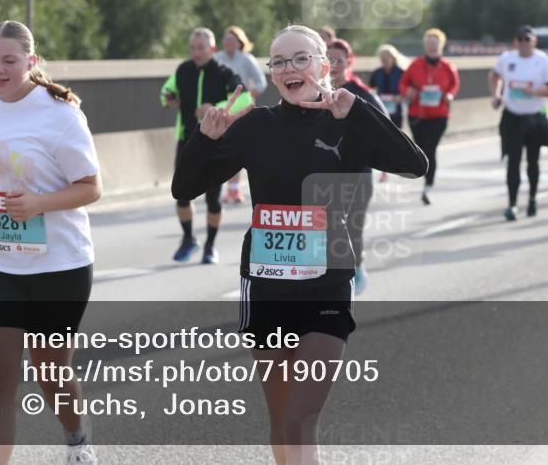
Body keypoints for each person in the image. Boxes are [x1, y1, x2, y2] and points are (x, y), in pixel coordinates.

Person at [171, 24, 427, 464]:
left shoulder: (347, 120)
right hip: (266, 285)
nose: (290, 69)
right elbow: (185, 187)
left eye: (301, 59)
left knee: (301, 416)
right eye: (280, 62)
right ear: (271, 74)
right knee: (282, 421)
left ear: (324, 67)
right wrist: (204, 139)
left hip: (326, 283)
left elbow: (414, 164)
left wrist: (361, 112)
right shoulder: (256, 126)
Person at [0, 20, 101, 465]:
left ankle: (76, 440)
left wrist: (38, 204)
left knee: (52, 372)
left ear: (30, 62)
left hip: (58, 265)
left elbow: (90, 187)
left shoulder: (59, 113)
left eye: (9, 61)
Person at [162, 28, 253, 264]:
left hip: (215, 143)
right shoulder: (183, 70)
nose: (196, 52)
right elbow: (166, 91)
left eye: (201, 48)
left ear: (212, 49)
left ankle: (210, 246)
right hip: (186, 140)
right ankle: (188, 238)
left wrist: (216, 107)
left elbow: (245, 99)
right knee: (181, 195)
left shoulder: (224, 72)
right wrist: (168, 98)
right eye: (192, 48)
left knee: (213, 200)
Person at [328, 39, 387, 295]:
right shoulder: (312, 92)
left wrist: (381, 159)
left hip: (358, 174)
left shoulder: (361, 93)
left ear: (349, 62)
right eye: (328, 60)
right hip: (323, 173)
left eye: (338, 60)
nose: (333, 66)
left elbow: (387, 129)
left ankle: (357, 267)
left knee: (352, 227)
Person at [490, 25, 548, 220]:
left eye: (527, 39)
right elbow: (494, 75)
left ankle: (532, 198)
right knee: (512, 161)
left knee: (533, 161)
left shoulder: (543, 61)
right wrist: (496, 94)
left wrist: (536, 92)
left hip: (534, 117)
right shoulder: (507, 59)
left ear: (534, 42)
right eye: (520, 39)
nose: (523, 43)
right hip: (512, 116)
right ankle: (512, 204)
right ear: (516, 41)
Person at [400, 28, 460, 205]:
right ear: (425, 46)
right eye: (429, 44)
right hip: (417, 113)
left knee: (431, 149)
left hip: (439, 114)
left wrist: (450, 95)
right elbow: (403, 83)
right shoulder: (415, 64)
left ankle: (428, 186)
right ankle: (424, 175)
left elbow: (454, 85)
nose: (432, 47)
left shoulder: (448, 67)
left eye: (435, 44)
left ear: (440, 46)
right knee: (420, 148)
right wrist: (408, 92)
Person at [215, 26, 268, 203]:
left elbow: (261, 82)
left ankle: (235, 189)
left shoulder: (246, 59)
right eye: (225, 39)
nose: (228, 42)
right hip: (223, 105)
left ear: (240, 42)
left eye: (231, 39)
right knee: (223, 146)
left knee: (237, 144)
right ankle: (226, 188)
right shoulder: (217, 59)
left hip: (242, 106)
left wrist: (250, 95)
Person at [370, 43, 409, 130]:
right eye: (382, 58)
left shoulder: (401, 72)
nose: (384, 60)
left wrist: (400, 96)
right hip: (381, 108)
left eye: (387, 57)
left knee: (396, 132)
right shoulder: (377, 73)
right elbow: (370, 88)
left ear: (393, 58)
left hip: (396, 110)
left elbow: (407, 89)